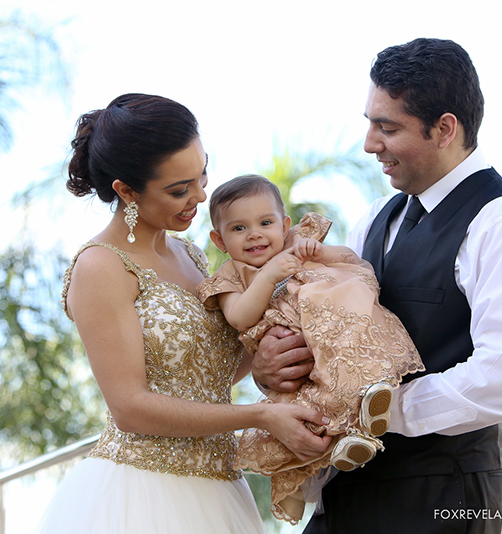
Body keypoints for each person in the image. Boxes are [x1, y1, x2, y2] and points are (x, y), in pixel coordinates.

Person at [252, 38, 502, 533]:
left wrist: (376, 412)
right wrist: (272, 370)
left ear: (445, 129)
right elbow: (326, 333)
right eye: (370, 123)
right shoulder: (376, 218)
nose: (370, 144)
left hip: (443, 499)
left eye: (388, 128)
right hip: (343, 498)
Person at [33, 93, 332, 534]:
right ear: (126, 190)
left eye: (202, 173)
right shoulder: (101, 266)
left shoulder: (191, 255)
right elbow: (130, 407)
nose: (201, 195)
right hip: (142, 494)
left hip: (219, 490)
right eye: (179, 190)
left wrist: (263, 363)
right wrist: (258, 415)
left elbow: (204, 371)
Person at [196, 174, 424, 524]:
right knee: (299, 415)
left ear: (284, 225)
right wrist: (268, 276)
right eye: (239, 228)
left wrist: (321, 252)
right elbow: (240, 317)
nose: (254, 234)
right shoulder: (229, 276)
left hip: (328, 331)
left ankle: (364, 411)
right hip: (293, 353)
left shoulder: (298, 242)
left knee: (344, 369)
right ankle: (313, 469)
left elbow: (351, 260)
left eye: (265, 223)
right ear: (219, 239)